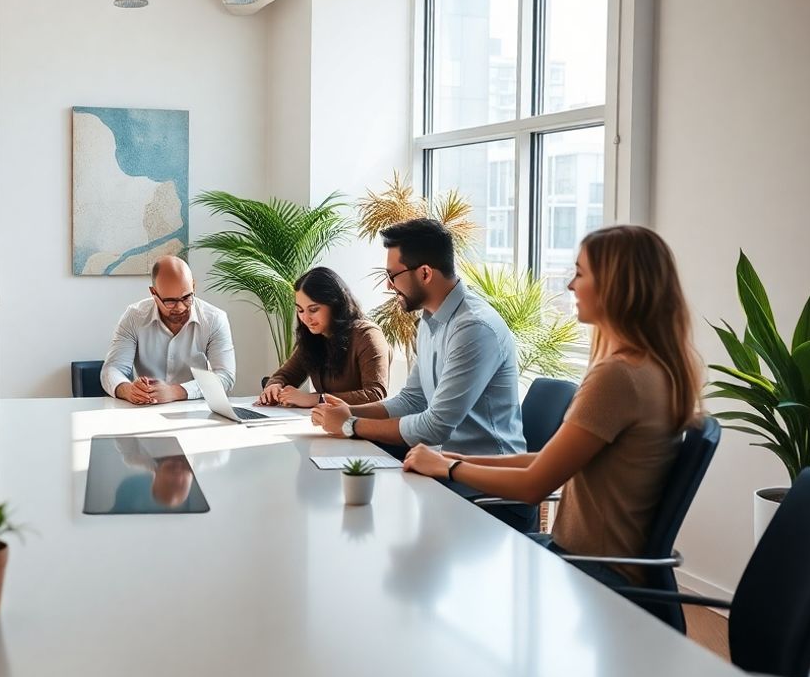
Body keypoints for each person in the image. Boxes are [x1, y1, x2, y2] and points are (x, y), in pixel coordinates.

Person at [403, 225, 703, 586]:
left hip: (592, 573)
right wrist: (451, 461)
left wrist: (448, 469)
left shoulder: (618, 377)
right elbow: (545, 463)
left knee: (435, 566)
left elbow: (534, 485)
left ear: (617, 285)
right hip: (598, 563)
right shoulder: (655, 369)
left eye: (580, 273)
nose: (570, 285)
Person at [311, 218, 524, 457]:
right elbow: (412, 400)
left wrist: (350, 425)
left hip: (484, 475)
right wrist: (348, 412)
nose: (389, 285)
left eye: (392, 275)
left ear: (425, 273)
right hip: (440, 463)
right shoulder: (429, 319)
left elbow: (435, 427)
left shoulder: (473, 328)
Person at [100, 255, 236, 404]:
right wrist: (128, 390)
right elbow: (112, 370)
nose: (180, 307)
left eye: (186, 297)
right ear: (153, 293)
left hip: (196, 410)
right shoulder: (134, 317)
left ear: (194, 286)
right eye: (170, 301)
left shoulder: (214, 319)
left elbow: (225, 376)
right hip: (146, 410)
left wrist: (175, 392)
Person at [257, 266, 392, 408]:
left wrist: (318, 399)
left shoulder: (367, 335)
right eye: (300, 310)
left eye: (313, 309)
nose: (305, 318)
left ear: (335, 304)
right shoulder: (313, 337)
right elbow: (284, 375)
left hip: (360, 425)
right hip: (325, 422)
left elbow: (376, 394)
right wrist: (273, 387)